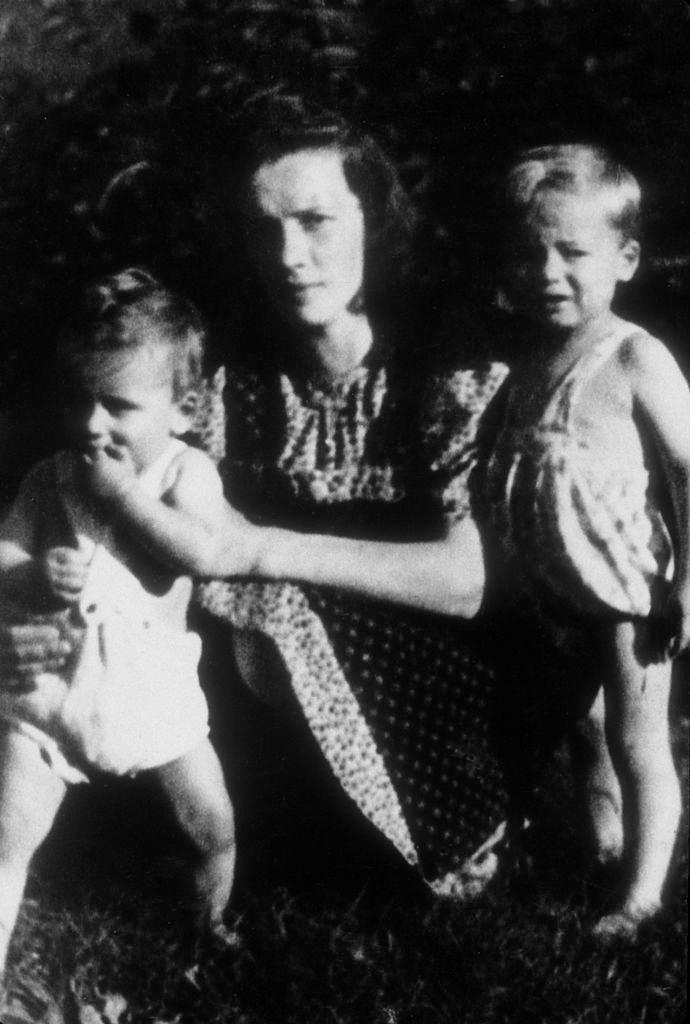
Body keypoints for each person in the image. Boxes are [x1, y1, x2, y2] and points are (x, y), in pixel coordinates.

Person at [180, 94, 511, 895]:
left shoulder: (445, 365)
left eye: (316, 220)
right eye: (265, 228)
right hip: (271, 672)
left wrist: (260, 549)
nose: (289, 254)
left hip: (449, 664)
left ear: (375, 220)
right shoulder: (226, 374)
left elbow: (467, 582)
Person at [0, 269, 236, 989]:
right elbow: (4, 548)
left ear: (184, 410)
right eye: (78, 400)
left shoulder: (183, 474)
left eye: (118, 405)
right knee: (8, 833)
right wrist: (34, 575)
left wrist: (125, 494)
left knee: (211, 825)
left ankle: (208, 930)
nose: (91, 424)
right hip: (53, 695)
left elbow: (198, 548)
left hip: (153, 694)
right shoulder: (50, 477)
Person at [480, 144, 689, 938]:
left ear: (626, 258)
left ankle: (643, 892)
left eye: (572, 251)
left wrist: (689, 579)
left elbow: (687, 467)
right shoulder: (526, 358)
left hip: (628, 589)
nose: (547, 271)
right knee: (583, 726)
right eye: (527, 253)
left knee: (638, 735)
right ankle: (602, 837)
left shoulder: (635, 356)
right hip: (549, 587)